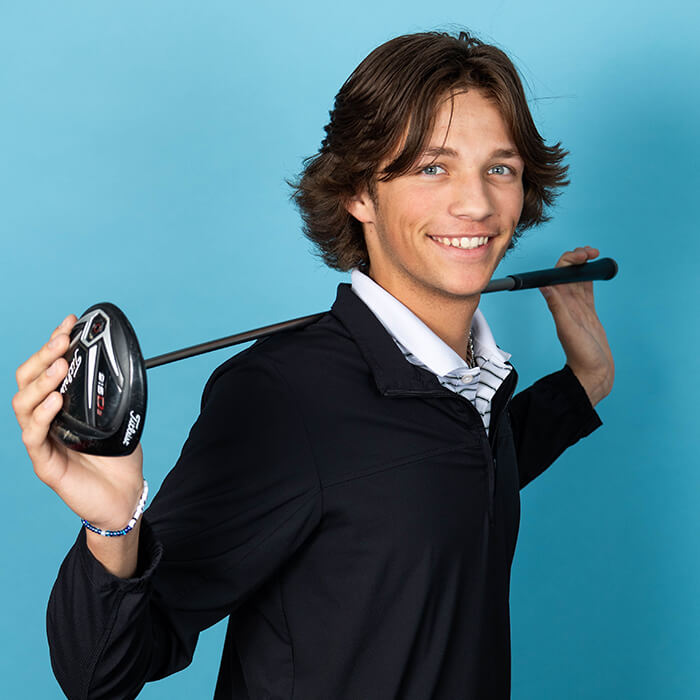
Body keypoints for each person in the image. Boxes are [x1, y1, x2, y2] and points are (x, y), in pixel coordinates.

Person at [12, 30, 614, 700]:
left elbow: (441, 483)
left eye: (498, 168)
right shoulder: (283, 398)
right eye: (432, 168)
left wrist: (586, 380)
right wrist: (113, 522)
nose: (475, 203)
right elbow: (101, 672)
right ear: (359, 193)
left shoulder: (475, 388)